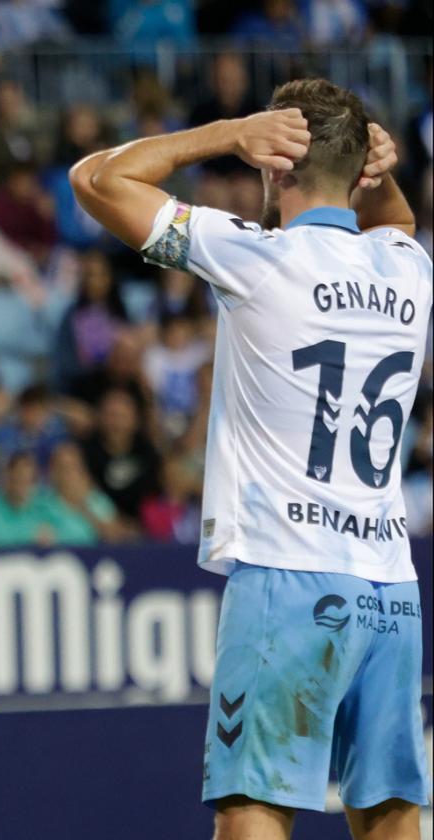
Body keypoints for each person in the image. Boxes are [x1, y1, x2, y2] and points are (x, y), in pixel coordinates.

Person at [70, 78, 431, 840]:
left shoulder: (256, 256)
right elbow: (393, 218)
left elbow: (97, 180)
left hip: (285, 578)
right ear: (360, 166)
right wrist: (380, 170)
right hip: (391, 587)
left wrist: (228, 131)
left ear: (275, 165)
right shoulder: (410, 269)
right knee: (394, 813)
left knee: (254, 810)